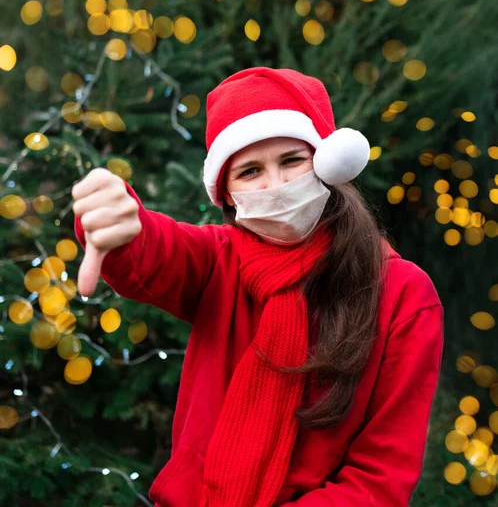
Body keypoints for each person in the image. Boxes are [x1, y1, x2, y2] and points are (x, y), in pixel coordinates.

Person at [72, 67, 444, 507]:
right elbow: (155, 249)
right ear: (226, 193)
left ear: (327, 165)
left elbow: (379, 478)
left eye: (291, 160)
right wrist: (119, 222)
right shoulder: (218, 261)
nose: (277, 186)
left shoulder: (402, 294)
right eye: (249, 172)